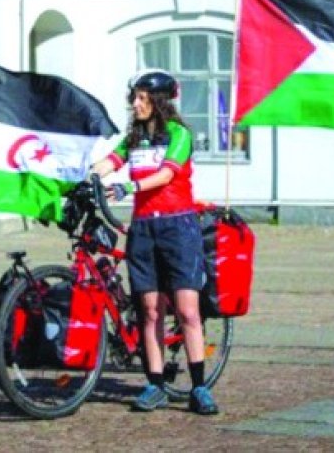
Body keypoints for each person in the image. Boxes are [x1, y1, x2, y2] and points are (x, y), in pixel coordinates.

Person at [91, 69, 218, 415]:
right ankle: (155, 384)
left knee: (188, 311)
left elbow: (165, 175)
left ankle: (199, 387)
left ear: (159, 102)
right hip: (143, 230)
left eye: (143, 99)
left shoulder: (179, 134)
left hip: (178, 228)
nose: (136, 104)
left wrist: (128, 187)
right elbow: (111, 161)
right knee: (149, 312)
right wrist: (88, 174)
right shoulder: (133, 139)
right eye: (135, 98)